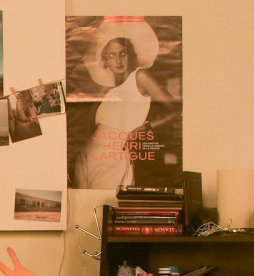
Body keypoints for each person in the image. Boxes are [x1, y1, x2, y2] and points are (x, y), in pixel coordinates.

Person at [73, 23, 178, 189]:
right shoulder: (108, 91)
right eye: (112, 56)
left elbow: (175, 111)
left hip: (114, 158)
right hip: (87, 158)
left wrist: (145, 128)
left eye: (123, 53)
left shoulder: (140, 76)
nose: (119, 60)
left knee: (103, 208)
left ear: (131, 54)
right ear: (105, 61)